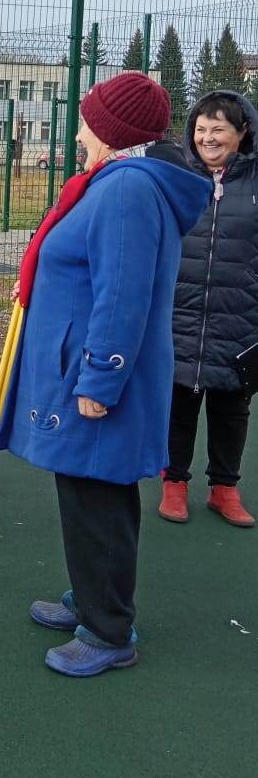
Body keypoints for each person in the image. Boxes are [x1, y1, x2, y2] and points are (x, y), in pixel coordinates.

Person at [0, 72, 211, 678]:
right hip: (81, 366)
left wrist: (99, 381)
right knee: (88, 490)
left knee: (99, 495)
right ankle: (91, 597)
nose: (79, 129)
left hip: (96, 373)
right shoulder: (117, 182)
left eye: (88, 119)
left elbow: (123, 297)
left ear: (112, 131)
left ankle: (110, 628)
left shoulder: (126, 191)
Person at [159, 90, 258, 528]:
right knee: (179, 400)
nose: (208, 137)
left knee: (231, 406)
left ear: (242, 133)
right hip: (182, 310)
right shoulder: (177, 178)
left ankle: (224, 488)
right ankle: (174, 484)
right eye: (201, 128)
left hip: (240, 313)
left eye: (219, 128)